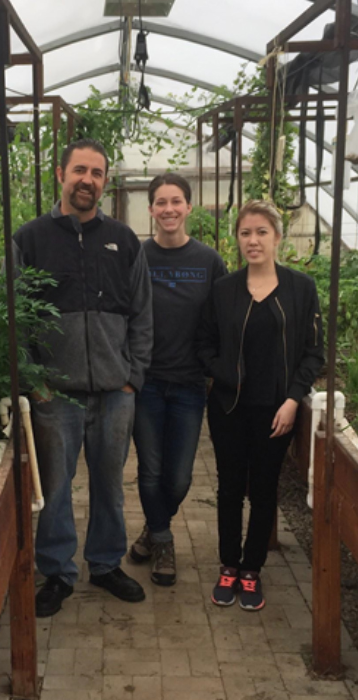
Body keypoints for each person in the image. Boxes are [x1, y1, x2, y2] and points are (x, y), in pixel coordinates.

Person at [13, 137, 154, 618]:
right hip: (56, 395)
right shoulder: (30, 238)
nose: (87, 180)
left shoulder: (124, 239)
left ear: (105, 182)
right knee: (56, 486)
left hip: (116, 392)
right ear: (60, 174)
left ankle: (106, 563)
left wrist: (132, 376)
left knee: (111, 483)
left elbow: (141, 312)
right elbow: (13, 318)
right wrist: (35, 381)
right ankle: (56, 572)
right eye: (79, 170)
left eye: (96, 173)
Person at [197, 200, 323, 611]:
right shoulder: (223, 290)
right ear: (238, 239)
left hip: (275, 409)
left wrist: (292, 400)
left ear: (277, 238)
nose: (253, 240)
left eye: (261, 232)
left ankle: (252, 570)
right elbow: (204, 343)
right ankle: (228, 565)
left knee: (265, 489)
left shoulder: (300, 289)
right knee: (231, 488)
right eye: (245, 233)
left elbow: (313, 353)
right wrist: (223, 373)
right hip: (229, 407)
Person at [127, 173, 226, 586]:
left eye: (176, 201)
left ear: (188, 207)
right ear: (150, 209)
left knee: (180, 476)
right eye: (160, 202)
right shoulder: (136, 257)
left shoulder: (208, 261)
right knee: (150, 470)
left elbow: (225, 318)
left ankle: (153, 529)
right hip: (146, 383)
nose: (168, 209)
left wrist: (217, 371)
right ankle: (164, 540)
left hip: (188, 385)